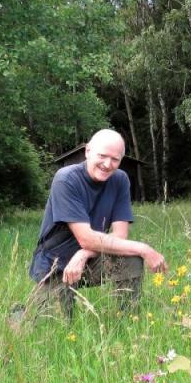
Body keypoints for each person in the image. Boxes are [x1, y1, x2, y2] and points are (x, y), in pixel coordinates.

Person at [26, 129, 168, 318]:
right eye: (102, 156)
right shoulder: (66, 179)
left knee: (131, 257)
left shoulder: (120, 180)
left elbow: (120, 236)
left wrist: (84, 253)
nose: (108, 164)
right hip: (55, 264)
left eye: (115, 159)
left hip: (92, 260)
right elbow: (87, 238)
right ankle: (19, 316)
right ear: (87, 151)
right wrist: (144, 248)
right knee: (56, 326)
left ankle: (127, 320)